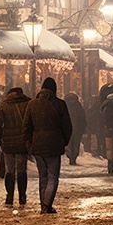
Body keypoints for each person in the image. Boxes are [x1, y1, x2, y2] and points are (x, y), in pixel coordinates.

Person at [23, 78, 72, 213]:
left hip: (38, 144)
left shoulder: (32, 104)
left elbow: (26, 125)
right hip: (54, 144)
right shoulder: (60, 104)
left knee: (43, 176)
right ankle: (47, 204)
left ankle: (43, 203)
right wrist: (63, 141)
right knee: (53, 176)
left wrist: (29, 142)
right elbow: (67, 126)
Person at [0, 87, 31, 207]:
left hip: (7, 141)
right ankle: (22, 195)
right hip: (22, 140)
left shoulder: (3, 105)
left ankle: (10, 196)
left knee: (9, 170)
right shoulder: (28, 103)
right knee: (21, 170)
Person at [64, 92, 87, 165]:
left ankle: (70, 156)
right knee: (76, 143)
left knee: (69, 143)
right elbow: (83, 117)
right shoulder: (78, 105)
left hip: (67, 128)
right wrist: (83, 128)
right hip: (77, 129)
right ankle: (73, 158)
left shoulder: (64, 105)